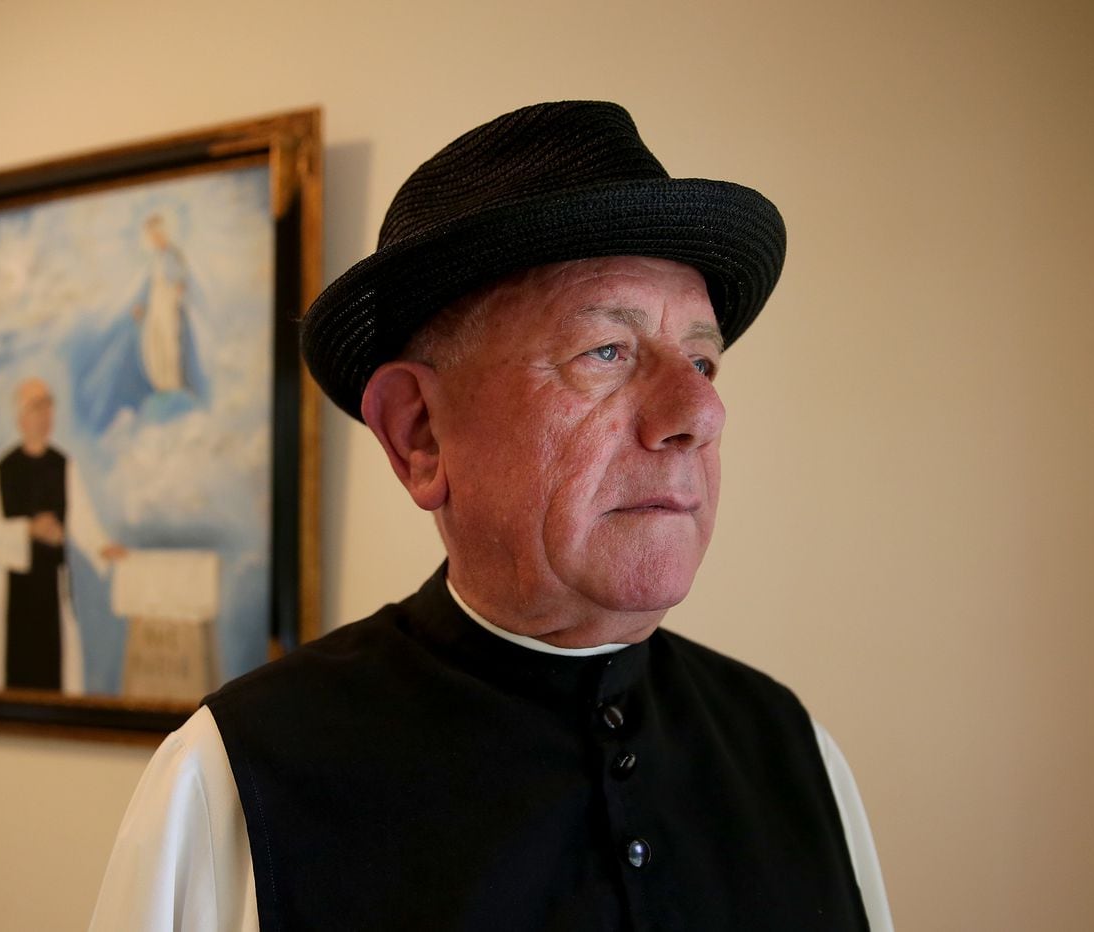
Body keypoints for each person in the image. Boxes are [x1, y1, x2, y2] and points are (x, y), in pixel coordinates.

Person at [91, 101, 894, 931]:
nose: (700, 412)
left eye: (701, 361)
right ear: (420, 433)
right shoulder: (234, 785)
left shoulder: (798, 756)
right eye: (607, 351)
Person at [0, 377, 126, 693]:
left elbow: (81, 517)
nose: (45, 414)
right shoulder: (2, 468)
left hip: (51, 583)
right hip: (15, 588)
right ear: (20, 417)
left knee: (54, 670)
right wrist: (30, 529)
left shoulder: (63, 465)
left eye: (48, 405)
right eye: (37, 407)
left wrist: (102, 546)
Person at [70, 213, 210, 434]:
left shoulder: (174, 255)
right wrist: (141, 305)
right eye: (151, 235)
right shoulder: (154, 260)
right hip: (155, 307)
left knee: (169, 345)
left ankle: (173, 386)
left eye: (158, 234)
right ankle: (161, 386)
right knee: (151, 344)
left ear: (165, 233)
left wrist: (177, 292)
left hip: (168, 305)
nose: (155, 238)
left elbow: (181, 280)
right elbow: (149, 285)